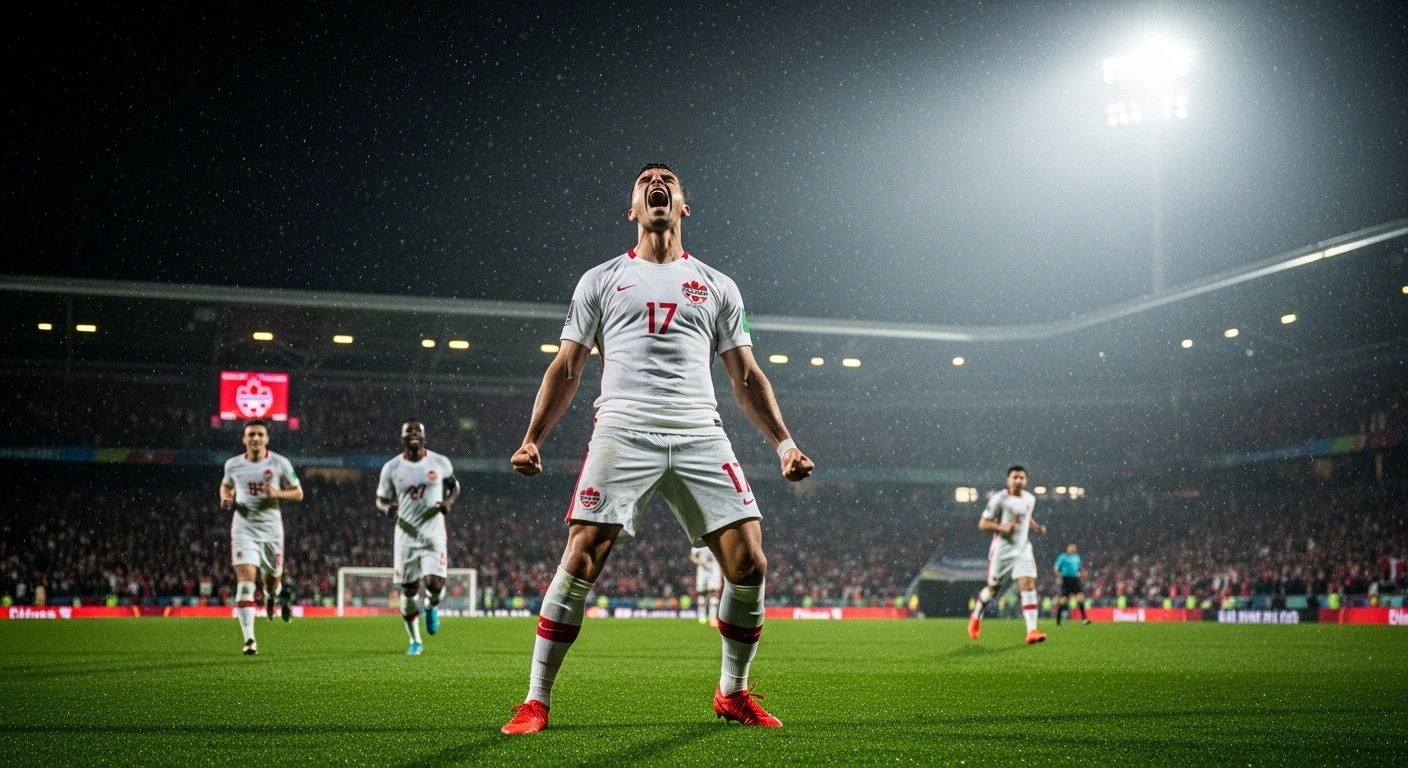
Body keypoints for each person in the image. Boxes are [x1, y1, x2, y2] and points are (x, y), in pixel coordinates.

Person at [500, 163, 814, 735]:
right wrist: (532, 439)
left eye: (666, 180)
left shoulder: (720, 286)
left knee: (750, 561)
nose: (656, 185)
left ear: (683, 206)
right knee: (582, 556)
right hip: (624, 429)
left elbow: (745, 377)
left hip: (700, 429)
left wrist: (784, 444)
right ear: (633, 208)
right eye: (646, 182)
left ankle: (733, 693)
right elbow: (567, 366)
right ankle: (536, 700)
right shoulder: (600, 280)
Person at [219, 419, 302, 655]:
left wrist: (277, 492)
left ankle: (271, 595)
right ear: (244, 439)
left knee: (271, 581)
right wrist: (226, 498)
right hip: (243, 529)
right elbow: (225, 487)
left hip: (271, 531)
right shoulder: (233, 465)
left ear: (267, 439)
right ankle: (249, 641)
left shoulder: (280, 463)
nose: (255, 438)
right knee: (245, 582)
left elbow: (298, 493)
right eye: (251, 434)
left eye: (260, 434)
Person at [376, 420, 459, 655]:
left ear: (424, 437)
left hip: (433, 532)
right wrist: (386, 509)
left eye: (417, 431)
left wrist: (448, 503)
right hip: (405, 536)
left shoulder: (440, 462)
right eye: (408, 431)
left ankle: (432, 606)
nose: (413, 434)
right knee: (408, 589)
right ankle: (415, 641)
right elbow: (380, 500)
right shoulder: (391, 468)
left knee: (435, 585)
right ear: (402, 438)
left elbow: (455, 487)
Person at [968, 466, 1047, 645]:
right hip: (1002, 551)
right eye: (1015, 477)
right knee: (993, 589)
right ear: (1008, 480)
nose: (1018, 481)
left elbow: (1026, 516)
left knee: (1028, 585)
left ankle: (1032, 630)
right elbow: (983, 523)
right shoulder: (999, 499)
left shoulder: (1030, 498)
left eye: (1021, 478)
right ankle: (976, 615)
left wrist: (1036, 527)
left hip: (1023, 549)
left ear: (1026, 480)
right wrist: (1003, 528)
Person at [1053, 542, 1090, 626]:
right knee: (1063, 600)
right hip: (1066, 579)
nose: (1073, 549)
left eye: (1074, 547)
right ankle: (1058, 621)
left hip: (1075, 579)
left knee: (1080, 598)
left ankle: (1084, 619)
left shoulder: (1077, 557)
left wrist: (1082, 573)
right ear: (1068, 548)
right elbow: (1055, 568)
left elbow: (1078, 568)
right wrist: (1059, 577)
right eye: (1071, 547)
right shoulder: (1062, 557)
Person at [691, 546, 723, 626]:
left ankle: (712, 617)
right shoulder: (700, 541)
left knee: (714, 593)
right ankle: (702, 616)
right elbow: (693, 555)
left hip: (714, 570)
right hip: (702, 570)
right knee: (702, 593)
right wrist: (698, 561)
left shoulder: (716, 540)